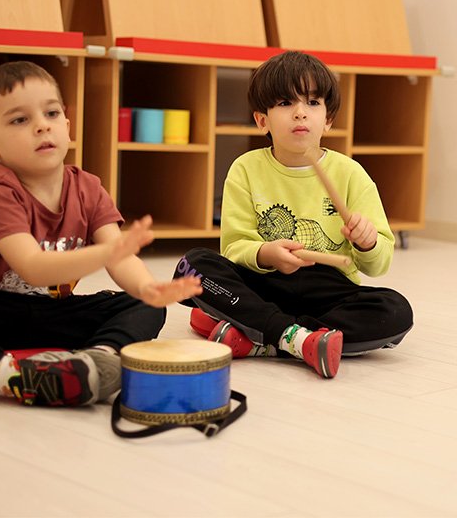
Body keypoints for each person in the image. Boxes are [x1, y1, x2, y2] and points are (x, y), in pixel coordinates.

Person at [174, 50, 413, 378]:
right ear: (262, 121)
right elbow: (234, 248)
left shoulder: (351, 174)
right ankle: (300, 338)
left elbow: (378, 264)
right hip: (264, 283)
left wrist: (367, 242)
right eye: (286, 103)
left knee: (396, 310)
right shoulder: (245, 169)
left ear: (328, 119)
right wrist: (266, 253)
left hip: (328, 291)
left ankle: (269, 336)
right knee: (192, 265)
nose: (300, 112)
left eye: (313, 102)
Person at [0, 61, 202, 407]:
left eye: (51, 113)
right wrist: (108, 252)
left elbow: (120, 258)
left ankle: (98, 361)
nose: (41, 125)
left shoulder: (88, 188)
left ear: (67, 127)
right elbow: (32, 267)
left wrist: (148, 288)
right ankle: (10, 376)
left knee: (142, 305)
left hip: (54, 312)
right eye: (20, 120)